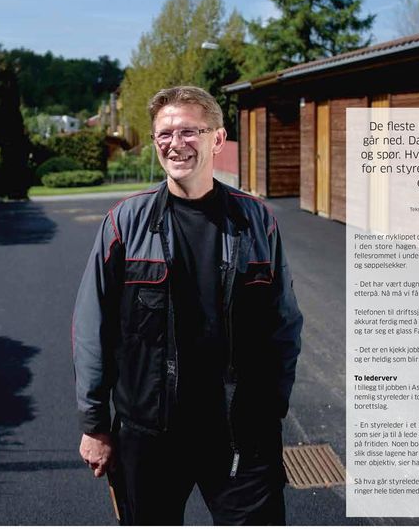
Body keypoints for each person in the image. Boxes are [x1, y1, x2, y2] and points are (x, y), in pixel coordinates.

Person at [72, 86, 303, 525]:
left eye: (188, 132)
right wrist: (95, 424)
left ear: (217, 139)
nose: (174, 144)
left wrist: (272, 405)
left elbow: (284, 324)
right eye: (164, 134)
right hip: (151, 434)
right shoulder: (125, 223)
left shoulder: (256, 221)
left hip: (241, 432)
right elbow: (91, 326)